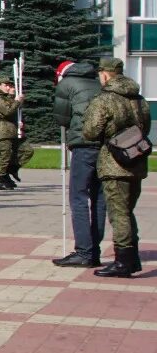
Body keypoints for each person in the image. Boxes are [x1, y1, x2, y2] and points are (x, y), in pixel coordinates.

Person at [83, 57, 148, 277]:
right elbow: (145, 126)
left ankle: (123, 262)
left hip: (114, 162)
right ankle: (133, 259)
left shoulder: (104, 99)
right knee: (127, 212)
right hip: (136, 160)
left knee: (118, 214)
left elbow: (91, 131)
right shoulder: (138, 98)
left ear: (105, 74)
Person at [53, 60, 105, 267]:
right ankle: (95, 251)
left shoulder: (66, 84)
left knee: (78, 197)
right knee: (99, 199)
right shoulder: (99, 82)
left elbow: (61, 117)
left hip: (83, 144)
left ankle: (84, 252)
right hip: (104, 145)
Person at [0, 76, 21, 189]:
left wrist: (14, 98)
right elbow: (7, 111)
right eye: (5, 85)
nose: (8, 87)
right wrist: (16, 101)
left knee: (10, 155)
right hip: (2, 130)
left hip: (9, 129)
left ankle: (6, 176)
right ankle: (1, 179)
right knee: (4, 154)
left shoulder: (6, 97)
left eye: (9, 85)